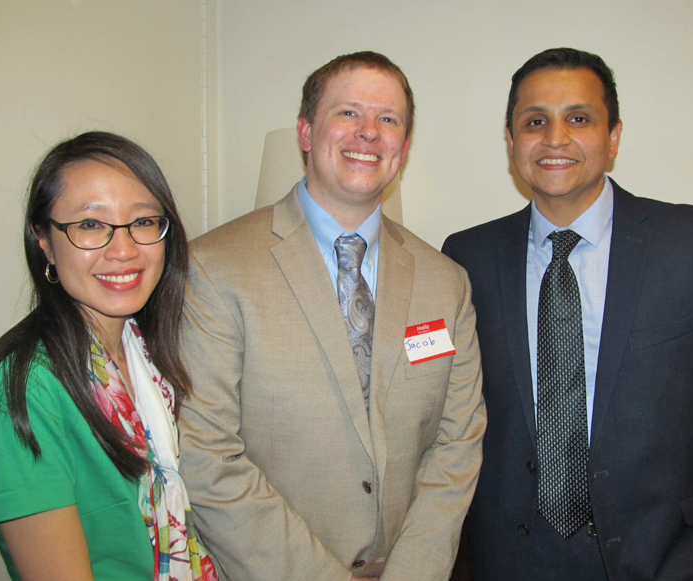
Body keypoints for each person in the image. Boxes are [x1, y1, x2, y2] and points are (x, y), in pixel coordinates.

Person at [179, 51, 485, 581]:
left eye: (387, 119)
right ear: (305, 131)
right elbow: (209, 458)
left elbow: (455, 447)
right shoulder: (214, 268)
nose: (368, 132)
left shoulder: (447, 282)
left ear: (404, 148)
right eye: (348, 113)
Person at [443, 47, 693, 580]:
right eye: (535, 122)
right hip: (510, 560)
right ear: (511, 142)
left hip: (671, 558)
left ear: (614, 135)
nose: (555, 138)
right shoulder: (465, 258)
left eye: (579, 118)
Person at [0, 132, 217, 581]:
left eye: (143, 222)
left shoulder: (146, 350)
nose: (124, 249)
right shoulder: (21, 387)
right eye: (90, 225)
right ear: (44, 241)